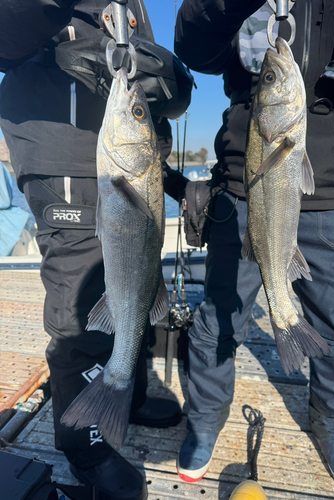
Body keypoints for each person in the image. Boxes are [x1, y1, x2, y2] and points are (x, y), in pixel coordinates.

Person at [174, 1, 334, 499]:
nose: (274, 67)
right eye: (268, 76)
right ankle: (203, 421)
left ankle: (332, 428)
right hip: (246, 189)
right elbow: (192, 44)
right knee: (218, 317)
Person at [0, 2, 189, 499]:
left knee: (139, 285)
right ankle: (88, 443)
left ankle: (124, 392)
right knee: (79, 308)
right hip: (60, 150)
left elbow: (142, 128)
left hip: (120, 167)